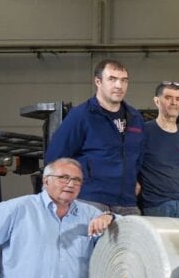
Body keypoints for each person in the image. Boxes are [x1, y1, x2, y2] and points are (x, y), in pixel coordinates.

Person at [44, 59, 144, 215]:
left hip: (127, 202)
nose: (119, 85)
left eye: (124, 80)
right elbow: (55, 158)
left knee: (133, 239)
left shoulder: (135, 117)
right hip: (90, 200)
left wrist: (136, 180)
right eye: (112, 79)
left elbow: (138, 155)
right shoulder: (81, 115)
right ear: (98, 81)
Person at [138, 81, 179, 218]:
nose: (174, 102)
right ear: (157, 101)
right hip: (154, 206)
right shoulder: (144, 132)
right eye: (168, 98)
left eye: (178, 99)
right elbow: (128, 160)